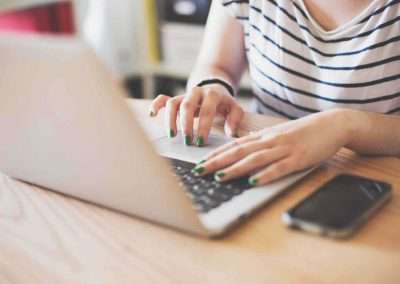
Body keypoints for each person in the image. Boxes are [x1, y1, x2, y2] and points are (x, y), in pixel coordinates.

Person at [149, 0, 400, 186]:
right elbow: (217, 65)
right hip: (265, 172)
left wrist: (344, 125)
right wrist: (212, 88)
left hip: (368, 183)